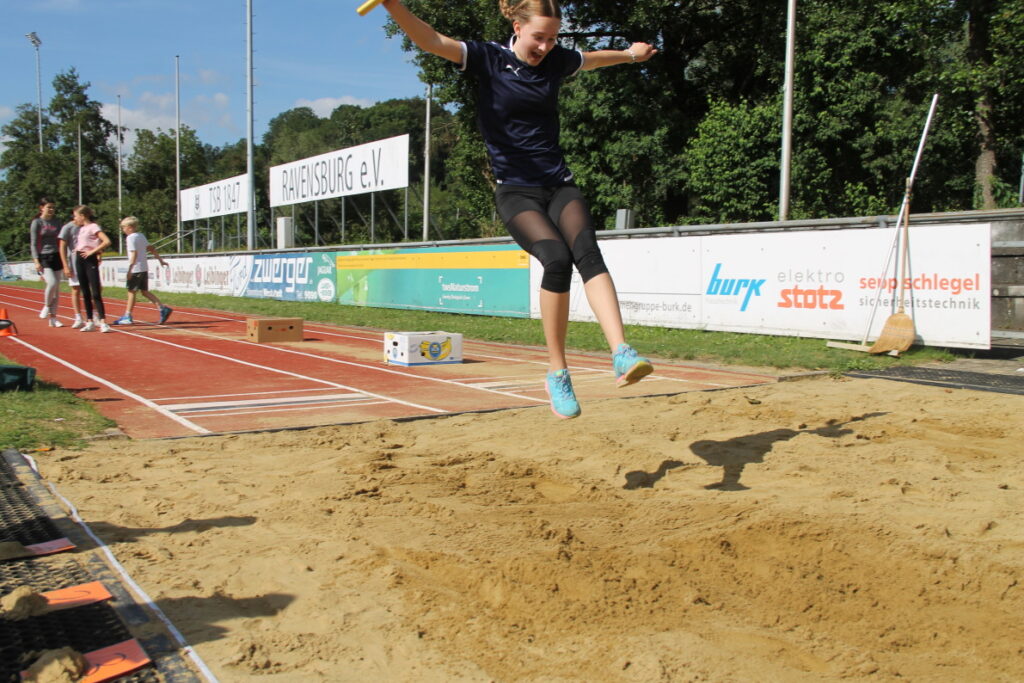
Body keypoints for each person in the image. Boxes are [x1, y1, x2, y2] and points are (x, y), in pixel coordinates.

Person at [381, 0, 656, 418]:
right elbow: (432, 41)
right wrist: (393, 6)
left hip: (558, 184)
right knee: (557, 259)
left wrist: (631, 55)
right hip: (516, 192)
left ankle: (621, 352)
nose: (546, 47)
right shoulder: (489, 59)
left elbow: (594, 59)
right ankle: (558, 373)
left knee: (587, 251)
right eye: (539, 37)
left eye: (553, 39)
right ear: (517, 27)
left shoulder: (556, 61)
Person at [113, 216, 172, 325]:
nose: (123, 230)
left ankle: (127, 316)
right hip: (144, 268)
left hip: (136, 269)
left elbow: (134, 254)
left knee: (131, 292)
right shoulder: (141, 236)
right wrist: (160, 260)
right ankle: (162, 308)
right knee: (144, 292)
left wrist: (130, 270)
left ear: (130, 227)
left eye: (124, 227)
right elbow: (151, 248)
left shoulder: (130, 238)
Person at [71, 205, 112, 333]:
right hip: (79, 259)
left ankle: (103, 322)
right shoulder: (81, 229)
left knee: (95, 292)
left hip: (90, 259)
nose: (74, 219)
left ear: (82, 216)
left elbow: (106, 241)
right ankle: (89, 322)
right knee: (85, 292)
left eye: (75, 216)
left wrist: (93, 252)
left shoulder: (93, 226)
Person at [29, 198, 65, 327]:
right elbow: (33, 243)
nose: (51, 209)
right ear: (42, 208)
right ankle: (46, 305)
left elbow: (62, 240)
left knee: (56, 289)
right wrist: (36, 261)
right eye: (49, 207)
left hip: (57, 255)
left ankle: (53, 318)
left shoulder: (57, 222)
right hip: (43, 256)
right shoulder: (37, 222)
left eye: (53, 207)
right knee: (52, 283)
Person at [58, 211, 89, 328]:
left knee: (92, 289)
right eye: (75, 215)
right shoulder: (67, 228)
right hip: (74, 262)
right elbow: (62, 247)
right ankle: (78, 317)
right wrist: (65, 265)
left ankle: (94, 315)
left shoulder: (89, 226)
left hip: (89, 261)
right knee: (76, 289)